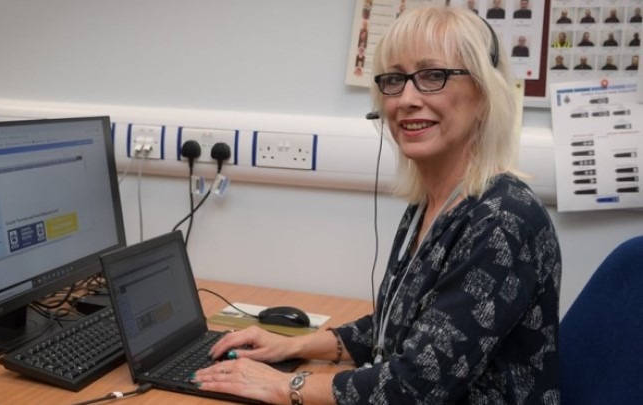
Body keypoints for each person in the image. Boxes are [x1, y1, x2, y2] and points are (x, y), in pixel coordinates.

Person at [193, 6, 562, 405]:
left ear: (484, 94)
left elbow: (414, 387)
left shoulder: (503, 220)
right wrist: (292, 346)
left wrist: (286, 386)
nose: (406, 99)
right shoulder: (434, 203)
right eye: (394, 80)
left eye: (432, 76)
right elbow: (404, 329)